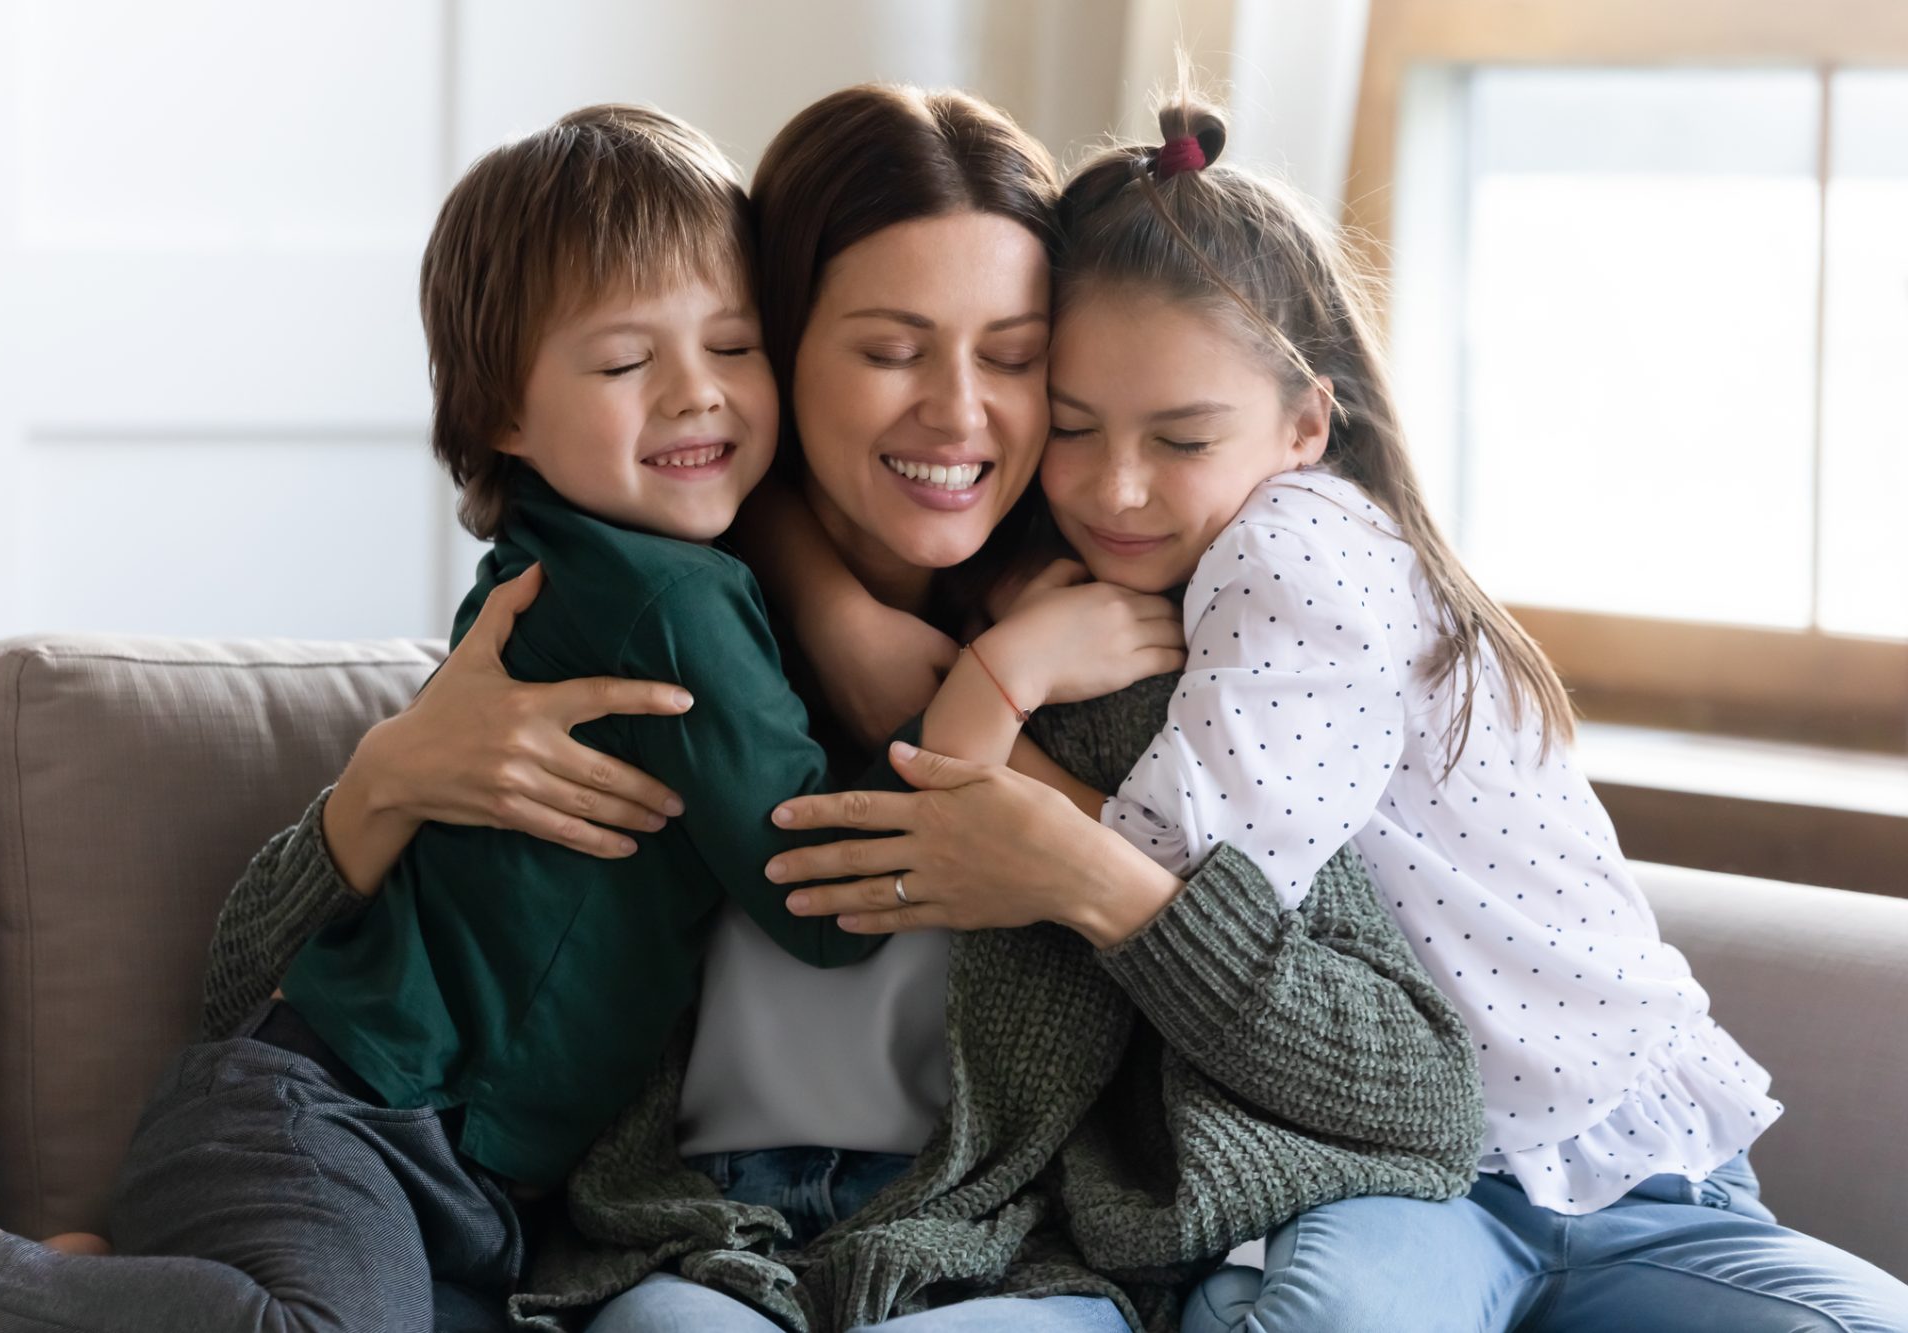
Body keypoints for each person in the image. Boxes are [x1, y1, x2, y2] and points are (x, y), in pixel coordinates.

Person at [65, 86, 1489, 1333]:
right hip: (659, 1257)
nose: (959, 412)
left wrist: (1082, 848)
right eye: (888, 348)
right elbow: (246, 992)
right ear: (786, 348)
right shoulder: (628, 613)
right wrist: (380, 782)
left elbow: (1412, 1083)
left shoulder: (1123, 657)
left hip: (968, 1273)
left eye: (1010, 357)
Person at [806, 88, 1899, 1332]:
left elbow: (1170, 880)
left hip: (1612, 1157)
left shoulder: (1295, 544)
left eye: (1179, 438)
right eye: (1070, 426)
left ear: (1304, 423)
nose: (1113, 485)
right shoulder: (1146, 559)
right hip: (1388, 1183)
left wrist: (1002, 685)